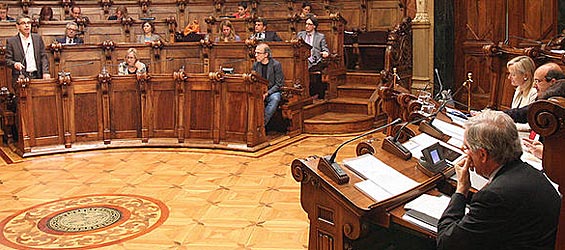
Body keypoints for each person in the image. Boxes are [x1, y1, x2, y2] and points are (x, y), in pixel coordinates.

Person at [437, 110, 561, 250]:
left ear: (483, 155)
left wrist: (461, 190)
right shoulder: (528, 172)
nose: (463, 150)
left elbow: (447, 243)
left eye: (466, 147)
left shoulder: (495, 196)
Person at [5, 15, 51, 82]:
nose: (27, 25)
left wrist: (45, 72)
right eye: (23, 23)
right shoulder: (12, 41)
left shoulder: (37, 38)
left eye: (29, 23)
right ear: (17, 26)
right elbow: (7, 60)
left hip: (38, 76)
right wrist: (14, 64)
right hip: (21, 78)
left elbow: (43, 57)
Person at [296, 15, 329, 98]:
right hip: (302, 59)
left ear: (314, 26)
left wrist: (325, 53)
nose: (307, 26)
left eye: (309, 24)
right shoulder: (300, 34)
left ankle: (306, 92)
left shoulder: (320, 36)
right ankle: (300, 91)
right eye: (306, 24)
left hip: (315, 60)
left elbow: (325, 49)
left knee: (304, 67)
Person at [253, 43, 283, 126]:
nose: (256, 55)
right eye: (255, 53)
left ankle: (261, 124)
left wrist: (267, 93)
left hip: (272, 91)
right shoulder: (256, 65)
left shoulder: (276, 65)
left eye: (258, 53)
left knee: (275, 98)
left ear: (266, 54)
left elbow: (279, 84)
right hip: (259, 91)